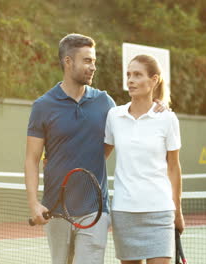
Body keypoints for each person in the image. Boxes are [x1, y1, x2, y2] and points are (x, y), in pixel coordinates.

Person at [24, 33, 166, 264]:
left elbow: (131, 116)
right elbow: (31, 158)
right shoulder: (43, 106)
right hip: (56, 209)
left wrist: (157, 104)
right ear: (68, 62)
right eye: (87, 61)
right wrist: (33, 203)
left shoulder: (105, 103)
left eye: (94, 61)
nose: (93, 67)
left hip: (95, 210)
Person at [104, 54, 185, 264]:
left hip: (160, 210)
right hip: (124, 211)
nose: (130, 80)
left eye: (137, 75)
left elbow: (174, 168)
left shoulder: (167, 118)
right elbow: (100, 155)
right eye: (129, 75)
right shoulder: (114, 116)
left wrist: (178, 212)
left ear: (154, 80)